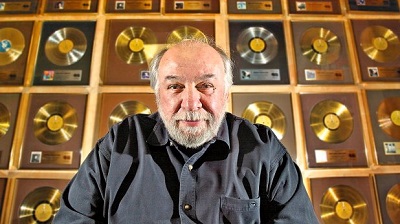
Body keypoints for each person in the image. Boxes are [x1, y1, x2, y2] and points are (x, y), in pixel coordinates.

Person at [53, 37, 319, 223]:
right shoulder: (118, 143)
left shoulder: (264, 149)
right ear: (157, 93)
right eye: (174, 86)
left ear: (225, 92)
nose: (191, 103)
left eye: (206, 86)